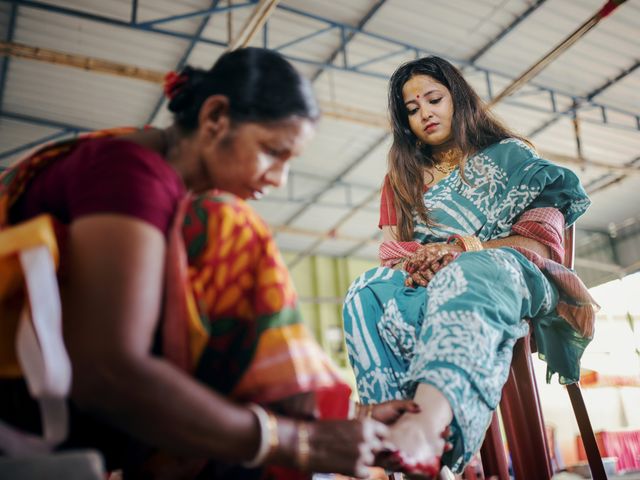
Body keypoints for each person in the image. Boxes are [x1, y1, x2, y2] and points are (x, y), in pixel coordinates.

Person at [0, 47, 416, 479]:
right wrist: (297, 442)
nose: (279, 178)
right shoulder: (129, 174)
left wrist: (352, 415)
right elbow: (109, 372)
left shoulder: (157, 185)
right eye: (274, 151)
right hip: (34, 415)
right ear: (215, 117)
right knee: (235, 232)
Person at [342, 56, 598, 476]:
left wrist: (462, 249)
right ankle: (394, 445)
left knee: (467, 271)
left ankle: (430, 431)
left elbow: (541, 243)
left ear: (457, 98)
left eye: (433, 99)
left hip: (512, 274)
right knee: (365, 290)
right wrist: (425, 263)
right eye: (411, 109)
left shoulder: (513, 158)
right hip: (430, 285)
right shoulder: (403, 178)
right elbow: (391, 253)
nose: (424, 112)